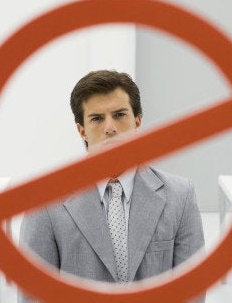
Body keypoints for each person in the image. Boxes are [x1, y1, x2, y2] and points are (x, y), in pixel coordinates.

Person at [19, 70, 205, 301]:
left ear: (137, 122)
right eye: (97, 118)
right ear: (82, 130)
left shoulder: (180, 195)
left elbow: (191, 291)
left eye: (119, 115)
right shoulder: (43, 203)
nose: (110, 128)